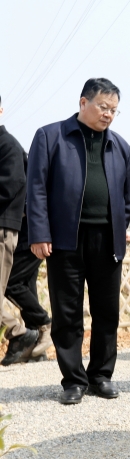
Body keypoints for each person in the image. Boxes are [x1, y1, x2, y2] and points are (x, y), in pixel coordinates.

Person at [27, 78, 130, 405]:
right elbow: (36, 189)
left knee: (107, 312)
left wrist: (120, 230)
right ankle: (73, 380)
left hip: (107, 240)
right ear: (83, 102)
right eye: (103, 107)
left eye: (113, 110)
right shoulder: (50, 137)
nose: (108, 114)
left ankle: (101, 375)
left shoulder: (121, 147)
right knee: (67, 312)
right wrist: (40, 233)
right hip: (65, 240)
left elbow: (127, 199)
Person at [0, 95, 39, 366]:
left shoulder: (8, 146)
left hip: (4, 228)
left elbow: (11, 186)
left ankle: (21, 331)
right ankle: (21, 332)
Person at [2, 208, 53, 365]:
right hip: (27, 225)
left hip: (36, 225)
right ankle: (35, 343)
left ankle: (45, 323)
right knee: (26, 282)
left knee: (10, 281)